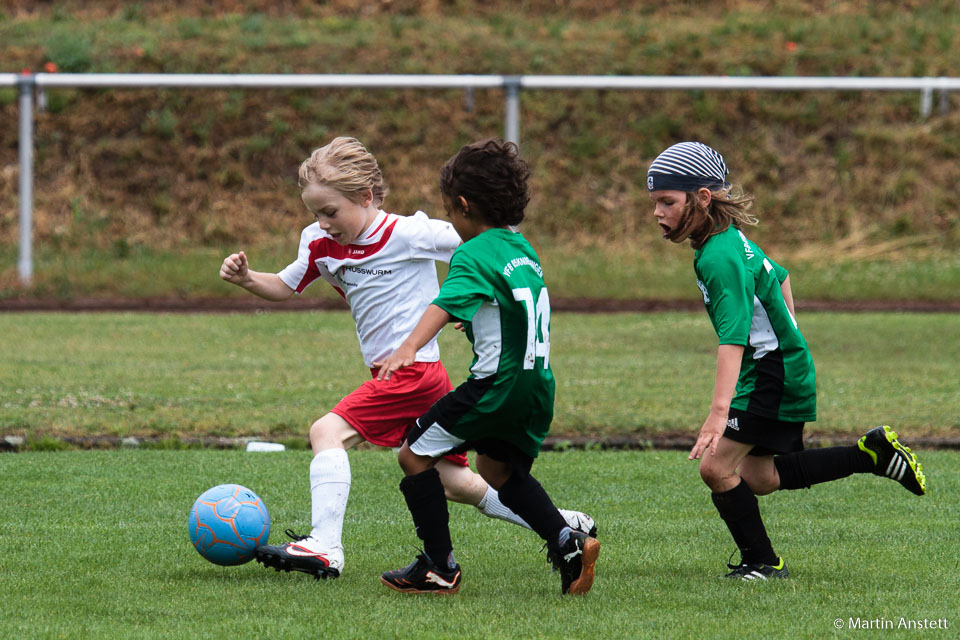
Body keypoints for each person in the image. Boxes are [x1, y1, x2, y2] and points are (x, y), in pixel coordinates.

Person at [218, 137, 595, 580]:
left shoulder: (410, 233)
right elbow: (285, 285)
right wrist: (247, 279)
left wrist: (473, 305)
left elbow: (481, 246)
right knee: (457, 484)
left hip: (412, 371)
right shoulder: (318, 242)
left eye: (331, 211)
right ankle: (566, 525)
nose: (322, 222)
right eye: (314, 213)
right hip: (407, 374)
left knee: (326, 432)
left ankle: (324, 547)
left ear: (366, 197)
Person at [646, 141, 927, 580]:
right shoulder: (723, 241)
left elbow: (734, 338)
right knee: (760, 478)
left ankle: (763, 562)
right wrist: (789, 335)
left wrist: (718, 413)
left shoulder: (719, 256)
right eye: (655, 203)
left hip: (771, 371)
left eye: (667, 201)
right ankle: (870, 455)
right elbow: (782, 274)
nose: (658, 213)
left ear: (702, 199)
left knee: (716, 467)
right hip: (778, 364)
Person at [374, 138, 600, 596]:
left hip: (496, 385)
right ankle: (566, 543)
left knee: (413, 454)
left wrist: (408, 348)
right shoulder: (521, 247)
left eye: (448, 211)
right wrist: (473, 319)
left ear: (462, 205)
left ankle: (439, 567)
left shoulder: (472, 252)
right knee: (498, 472)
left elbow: (445, 301)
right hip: (535, 386)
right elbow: (507, 303)